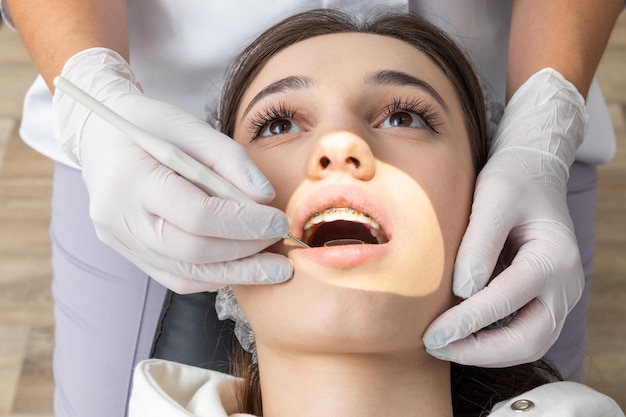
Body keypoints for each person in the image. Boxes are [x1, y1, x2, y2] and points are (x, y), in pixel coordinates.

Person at [0, 1, 621, 416]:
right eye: (276, 124)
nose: (340, 147)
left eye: (405, 116)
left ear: (482, 208)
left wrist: (546, 118)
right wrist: (90, 89)